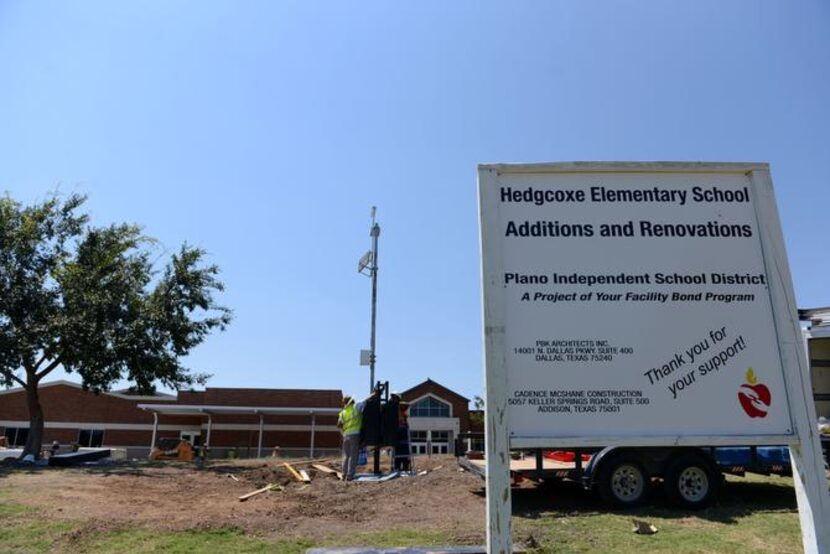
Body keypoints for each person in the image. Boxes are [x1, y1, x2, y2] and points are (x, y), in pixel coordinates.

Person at [337, 390, 377, 481]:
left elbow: (339, 424)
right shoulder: (356, 407)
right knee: (353, 455)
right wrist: (374, 394)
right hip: (354, 434)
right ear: (352, 401)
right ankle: (350, 476)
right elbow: (366, 400)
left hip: (346, 435)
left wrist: (343, 432)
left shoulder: (343, 412)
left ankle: (344, 475)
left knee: (346, 456)